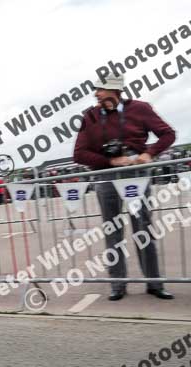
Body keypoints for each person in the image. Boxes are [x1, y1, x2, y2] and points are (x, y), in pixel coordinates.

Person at [73, 74, 175, 301]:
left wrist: (149, 153)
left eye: (100, 89)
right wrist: (109, 161)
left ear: (115, 91)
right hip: (107, 175)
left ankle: (154, 283)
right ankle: (117, 284)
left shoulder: (140, 108)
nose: (96, 94)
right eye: (96, 89)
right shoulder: (89, 116)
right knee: (112, 230)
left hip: (136, 173)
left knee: (143, 228)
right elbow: (78, 154)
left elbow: (168, 134)